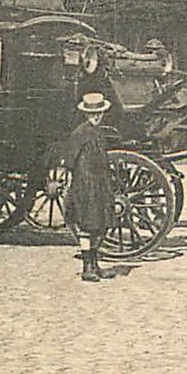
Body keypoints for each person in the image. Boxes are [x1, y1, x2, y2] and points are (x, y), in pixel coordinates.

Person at [59, 91, 119, 282]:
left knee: (98, 225)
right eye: (92, 114)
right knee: (86, 225)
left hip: (99, 184)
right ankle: (87, 267)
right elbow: (69, 160)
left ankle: (95, 265)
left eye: (99, 114)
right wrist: (65, 182)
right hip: (84, 185)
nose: (96, 117)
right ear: (86, 114)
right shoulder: (79, 133)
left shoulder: (99, 132)